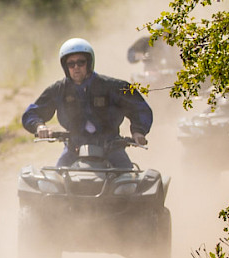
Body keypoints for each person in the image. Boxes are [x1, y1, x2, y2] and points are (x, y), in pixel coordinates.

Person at [23, 37, 153, 168]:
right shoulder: (58, 90)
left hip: (112, 148)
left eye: (81, 62)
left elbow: (140, 109)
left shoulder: (114, 86)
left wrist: (138, 131)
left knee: (128, 184)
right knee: (56, 182)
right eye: (71, 64)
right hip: (74, 148)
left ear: (89, 63)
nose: (76, 67)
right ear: (65, 66)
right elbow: (32, 112)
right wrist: (39, 126)